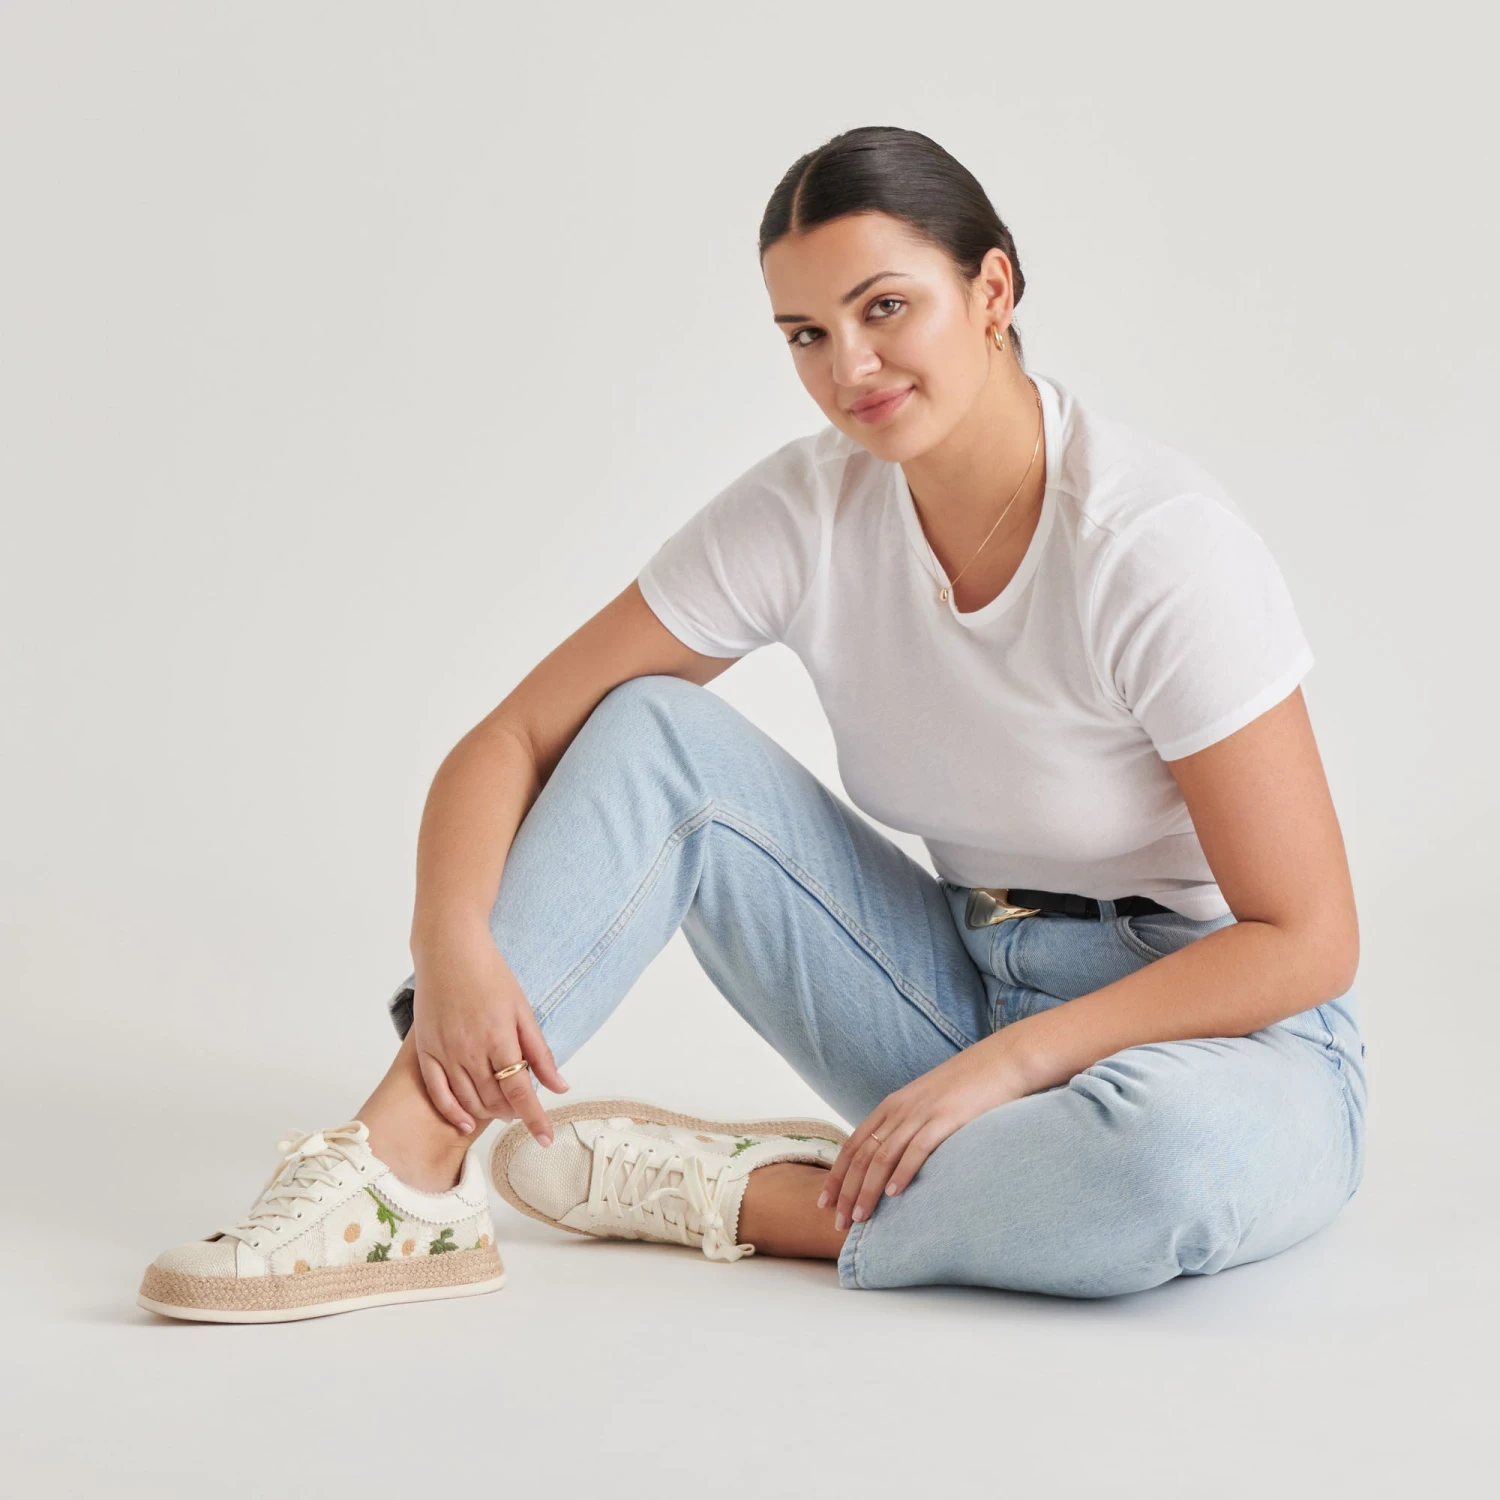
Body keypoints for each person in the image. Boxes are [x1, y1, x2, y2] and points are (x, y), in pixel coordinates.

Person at [137, 125, 1366, 1323]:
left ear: (991, 290)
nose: (850, 369)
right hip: (956, 989)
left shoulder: (1151, 547)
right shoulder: (807, 510)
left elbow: (1307, 938)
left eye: (886, 309)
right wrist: (450, 937)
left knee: (1162, 1173)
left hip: (1226, 1041)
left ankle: (745, 1196)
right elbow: (510, 738)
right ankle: (404, 1176)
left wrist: (1017, 1065)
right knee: (652, 730)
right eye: (806, 334)